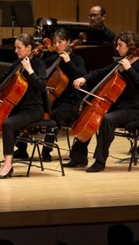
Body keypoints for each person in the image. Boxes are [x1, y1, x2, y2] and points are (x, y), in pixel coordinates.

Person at [0, 33, 47, 179]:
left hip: (33, 109)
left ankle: (8, 164)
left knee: (8, 124)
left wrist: (30, 71)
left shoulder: (38, 64)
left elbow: (41, 86)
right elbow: (4, 78)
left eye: (19, 48)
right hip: (17, 108)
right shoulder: (17, 63)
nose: (16, 51)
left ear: (29, 48)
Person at [70, 31, 139, 172]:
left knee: (107, 119)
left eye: (120, 45)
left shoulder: (134, 64)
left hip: (134, 109)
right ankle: (78, 156)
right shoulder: (120, 62)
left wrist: (129, 69)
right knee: (91, 112)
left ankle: (100, 161)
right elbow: (101, 72)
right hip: (119, 106)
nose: (117, 48)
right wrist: (85, 78)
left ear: (130, 46)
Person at [41, 29, 86, 163]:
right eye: (55, 42)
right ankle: (21, 148)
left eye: (60, 41)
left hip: (71, 101)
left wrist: (68, 62)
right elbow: (40, 69)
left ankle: (46, 149)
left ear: (68, 42)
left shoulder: (77, 59)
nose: (57, 45)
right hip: (54, 99)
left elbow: (81, 77)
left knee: (55, 115)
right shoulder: (53, 59)